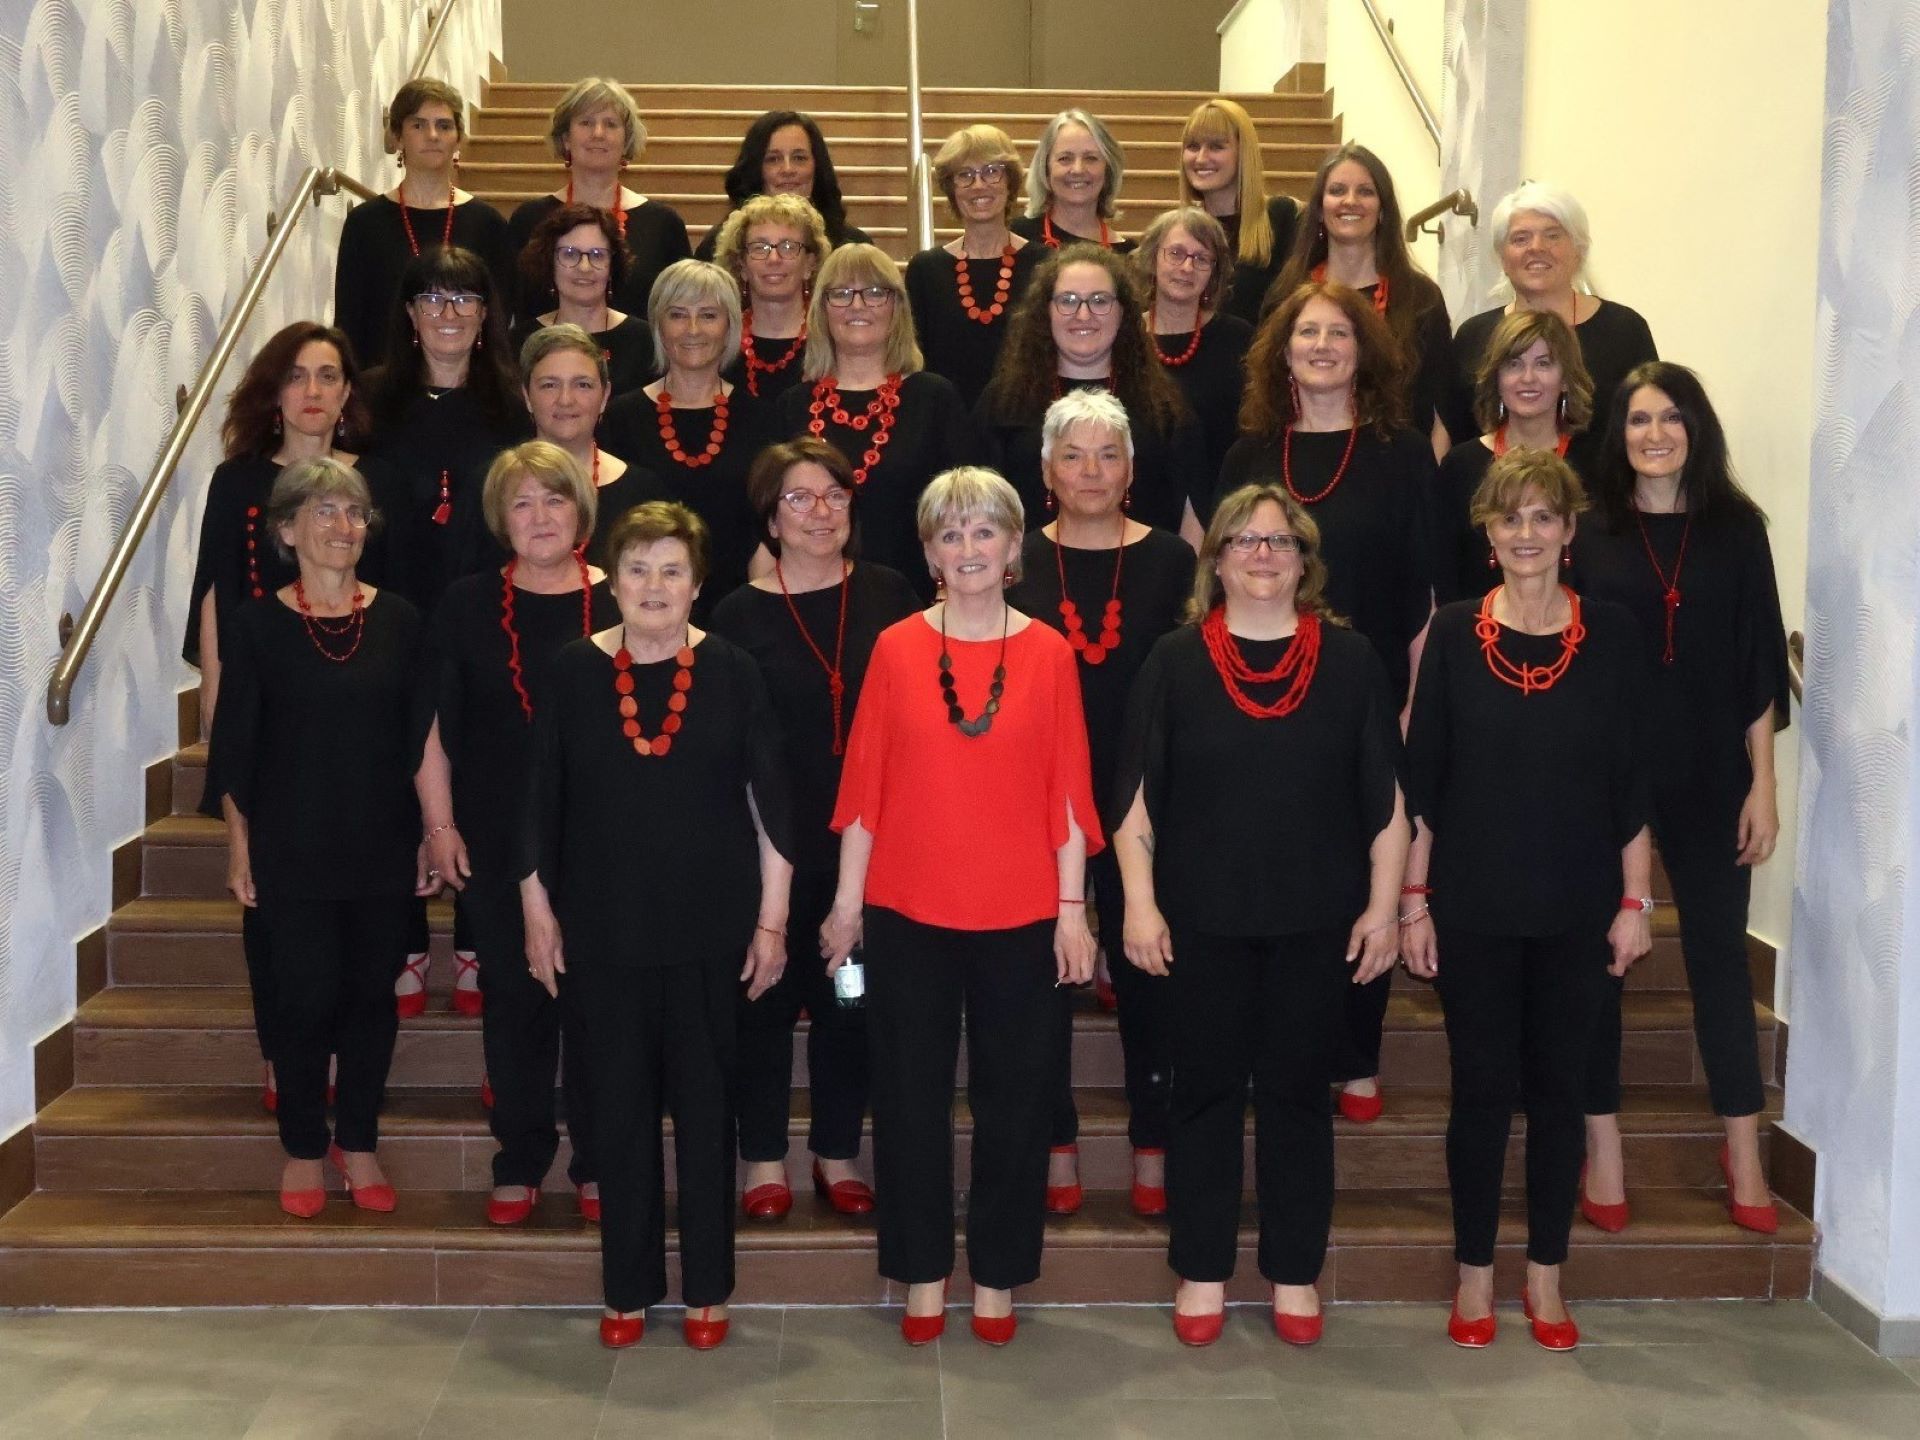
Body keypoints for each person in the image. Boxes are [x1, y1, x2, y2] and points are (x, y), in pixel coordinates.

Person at [1113, 484, 1407, 1347]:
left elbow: (1389, 801)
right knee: (1202, 1094)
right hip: (1199, 920)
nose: (1263, 555)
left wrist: (1384, 910)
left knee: (1297, 1098)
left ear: (1305, 560)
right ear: (1216, 560)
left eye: (1281, 542)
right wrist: (1139, 905)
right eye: (1244, 540)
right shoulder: (1173, 660)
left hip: (1317, 920)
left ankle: (1294, 1273)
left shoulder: (1351, 661)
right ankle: (1202, 1270)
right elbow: (1133, 800)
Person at [823, 467, 1101, 1348]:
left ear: (1015, 546)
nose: (968, 549)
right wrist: (845, 906)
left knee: (1016, 1101)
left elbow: (1069, 793)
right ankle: (921, 1268)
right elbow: (864, 787)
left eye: (984, 532)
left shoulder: (1050, 652)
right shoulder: (895, 648)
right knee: (909, 1099)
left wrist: (1072, 910)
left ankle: (998, 1272)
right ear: (930, 553)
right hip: (907, 909)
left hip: (1023, 912)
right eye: (950, 534)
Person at [523, 501, 794, 1350]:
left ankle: (709, 1288)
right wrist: (536, 913)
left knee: (709, 1115)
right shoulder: (573, 670)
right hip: (603, 933)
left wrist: (773, 924)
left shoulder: (734, 671)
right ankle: (628, 1289)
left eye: (672, 570)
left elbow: (772, 807)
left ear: (697, 584)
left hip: (712, 933)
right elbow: (537, 804)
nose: (653, 585)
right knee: (619, 1114)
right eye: (637, 568)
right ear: (611, 580)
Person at [1401, 449, 1654, 1351]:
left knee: (1558, 1096)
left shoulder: (1613, 634)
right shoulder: (1454, 634)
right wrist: (1414, 900)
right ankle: (1474, 1276)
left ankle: (1545, 1275)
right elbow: (1424, 782)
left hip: (1579, 904)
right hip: (1473, 902)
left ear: (1570, 529)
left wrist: (1636, 902)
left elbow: (1630, 783)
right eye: (1510, 517)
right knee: (1480, 1093)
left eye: (1544, 516)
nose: (1527, 534)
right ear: (1488, 532)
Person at [1571, 364, 1790, 1237]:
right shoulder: (1589, 529)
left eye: (1670, 418)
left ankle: (1743, 1150)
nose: (1654, 435)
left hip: (1711, 774)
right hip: (1607, 774)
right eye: (1637, 420)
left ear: (1697, 429)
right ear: (1616, 434)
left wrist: (1764, 785)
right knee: (1602, 963)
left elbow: (1759, 664)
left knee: (1718, 962)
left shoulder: (1738, 530)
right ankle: (1603, 1146)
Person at [1216, 280, 1435, 1122]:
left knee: (1362, 865)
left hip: (1367, 691)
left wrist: (1415, 701)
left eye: (1338, 333)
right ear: (1282, 352)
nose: (1321, 347)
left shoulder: (1402, 452)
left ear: (1363, 351)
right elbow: (1219, 577)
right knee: (1275, 865)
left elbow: (1423, 589)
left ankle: (1356, 1057)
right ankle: (1265, 1044)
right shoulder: (1248, 454)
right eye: (1306, 333)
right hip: (1257, 694)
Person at [212, 457, 433, 1218]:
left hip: (382, 842)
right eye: (325, 512)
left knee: (372, 998)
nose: (344, 527)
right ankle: (306, 1145)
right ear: (287, 530)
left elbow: (421, 739)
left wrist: (431, 833)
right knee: (303, 999)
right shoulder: (255, 625)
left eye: (355, 513)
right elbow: (235, 748)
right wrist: (239, 847)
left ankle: (359, 1141)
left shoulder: (401, 620)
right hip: (290, 845)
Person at [709, 439, 920, 1222]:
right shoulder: (735, 614)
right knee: (761, 1003)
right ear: (770, 519)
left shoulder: (892, 594)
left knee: (850, 1003)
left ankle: (837, 1151)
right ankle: (763, 1157)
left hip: (873, 841)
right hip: (767, 844)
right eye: (798, 498)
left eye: (835, 495)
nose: (820, 512)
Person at [417, 442, 617, 1227]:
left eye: (555, 499)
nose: (540, 516)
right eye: (522, 502)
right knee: (513, 1002)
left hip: (604, 841)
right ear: (501, 518)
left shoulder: (625, 594)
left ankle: (600, 1160)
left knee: (599, 1006)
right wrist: (439, 825)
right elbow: (433, 726)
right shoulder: (465, 604)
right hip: (495, 835)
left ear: (581, 510)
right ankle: (520, 1159)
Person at [1005, 392, 1193, 1218]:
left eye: (1108, 455)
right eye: (1074, 456)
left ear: (1131, 471)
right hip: (1032, 803)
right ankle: (1054, 1139)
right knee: (1038, 988)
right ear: (1046, 471)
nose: (1091, 471)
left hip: (1144, 800)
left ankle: (1154, 1140)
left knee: (1151, 984)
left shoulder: (1174, 562)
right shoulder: (1013, 559)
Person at [186, 322, 367, 1115]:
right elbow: (217, 598)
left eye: (328, 375)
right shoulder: (237, 484)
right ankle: (282, 1054)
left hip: (355, 716)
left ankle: (345, 1051)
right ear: (275, 392)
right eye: (296, 376)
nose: (313, 391)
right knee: (266, 901)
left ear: (348, 392)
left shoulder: (374, 479)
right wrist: (218, 714)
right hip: (268, 712)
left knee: (353, 910)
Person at [773, 245, 979, 599]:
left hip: (918, 600)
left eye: (873, 292)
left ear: (897, 307)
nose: (857, 306)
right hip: (811, 600)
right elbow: (771, 523)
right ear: (821, 309)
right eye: (841, 293)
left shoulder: (935, 398)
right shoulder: (792, 406)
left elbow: (966, 512)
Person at [976, 244, 1203, 539]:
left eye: (1099, 300)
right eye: (1067, 300)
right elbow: (977, 508)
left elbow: (1191, 520)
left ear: (1123, 312)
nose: (1083, 315)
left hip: (1145, 568)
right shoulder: (1004, 401)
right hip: (1029, 568)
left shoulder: (1164, 405)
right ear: (1046, 311)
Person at [1442, 182, 1657, 472]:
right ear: (1502, 258)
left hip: (1605, 496)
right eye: (1520, 238)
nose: (1536, 248)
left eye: (1552, 235)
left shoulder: (1624, 331)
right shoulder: (1474, 336)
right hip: (1491, 496)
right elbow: (1452, 433)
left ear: (1578, 250)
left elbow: (1649, 427)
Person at [600, 260, 763, 620]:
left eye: (708, 315)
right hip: (641, 612)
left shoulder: (761, 419)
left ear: (730, 326)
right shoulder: (619, 418)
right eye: (677, 315)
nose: (692, 329)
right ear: (658, 325)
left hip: (735, 614)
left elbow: (765, 535)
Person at [1267, 143, 1452, 452]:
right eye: (1337, 190)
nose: (1350, 201)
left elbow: (1441, 414)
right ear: (1319, 209)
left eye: (1365, 191)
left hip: (1398, 468)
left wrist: (1430, 474)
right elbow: (1269, 393)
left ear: (1383, 210)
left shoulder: (1421, 298)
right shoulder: (1287, 294)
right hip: (1303, 464)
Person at [333, 78, 513, 370]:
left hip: (468, 382)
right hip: (383, 383)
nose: (432, 135)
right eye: (418, 125)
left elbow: (497, 321)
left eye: (444, 126)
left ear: (458, 138)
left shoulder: (488, 223)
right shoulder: (364, 223)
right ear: (398, 137)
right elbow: (349, 323)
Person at [1434, 311, 1594, 605]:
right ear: (1496, 378)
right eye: (1514, 364)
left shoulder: (1596, 463)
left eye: (1543, 363)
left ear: (1566, 379)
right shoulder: (1460, 466)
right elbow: (1445, 573)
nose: (1527, 378)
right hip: (1479, 628)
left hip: (1579, 628)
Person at [504, 77, 691, 321]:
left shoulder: (663, 224)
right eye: (586, 122)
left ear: (626, 141)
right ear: (566, 138)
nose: (598, 133)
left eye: (610, 124)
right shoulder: (528, 220)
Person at [905, 125, 1044, 409]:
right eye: (965, 175)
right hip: (945, 422)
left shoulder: (1044, 263)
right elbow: (913, 361)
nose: (979, 185)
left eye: (992, 171)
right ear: (951, 189)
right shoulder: (925, 270)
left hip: (1024, 419)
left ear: (1010, 182)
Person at [1136, 207, 1255, 483]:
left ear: (1214, 272)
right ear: (1153, 258)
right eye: (1176, 253)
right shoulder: (1125, 334)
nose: (1187, 268)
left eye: (1201, 258)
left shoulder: (1239, 338)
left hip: (1221, 493)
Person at [520, 324, 654, 564]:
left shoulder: (642, 494)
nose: (566, 400)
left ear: (604, 396)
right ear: (527, 396)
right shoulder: (495, 487)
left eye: (582, 385)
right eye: (549, 385)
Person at [1177, 98, 1300, 326]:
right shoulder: (1179, 229)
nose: (1201, 158)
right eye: (1193, 146)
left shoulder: (1282, 218)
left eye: (1216, 146)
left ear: (1243, 153)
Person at [511, 204, 653, 396]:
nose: (585, 267)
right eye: (570, 254)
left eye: (597, 255)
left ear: (612, 265)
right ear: (549, 261)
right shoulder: (518, 342)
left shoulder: (646, 342)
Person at [694, 110, 871, 259]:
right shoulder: (717, 248)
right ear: (756, 170)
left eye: (799, 158)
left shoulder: (853, 247)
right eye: (773, 159)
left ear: (817, 167)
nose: (787, 169)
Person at [710, 193, 831, 406]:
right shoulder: (719, 341)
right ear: (742, 265)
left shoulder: (833, 339)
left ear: (810, 264)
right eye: (759, 248)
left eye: (788, 247)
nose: (773, 259)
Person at [1012, 110, 1135, 253]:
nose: (1078, 169)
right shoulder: (1014, 239)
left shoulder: (1128, 255)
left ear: (1108, 169)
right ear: (1045, 169)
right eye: (1065, 158)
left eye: (1091, 158)